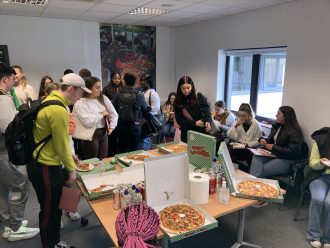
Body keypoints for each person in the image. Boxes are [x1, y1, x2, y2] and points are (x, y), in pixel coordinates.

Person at [27, 73, 91, 248]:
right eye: (79, 93)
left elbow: (53, 139)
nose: (79, 97)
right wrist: (71, 170)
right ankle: (50, 244)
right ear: (70, 89)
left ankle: (54, 243)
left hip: (42, 163)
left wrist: (70, 156)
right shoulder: (58, 109)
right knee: (49, 210)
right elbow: (61, 144)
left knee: (53, 208)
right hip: (46, 166)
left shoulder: (50, 102)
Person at [0, 63, 40, 242]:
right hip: (5, 151)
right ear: (5, 79)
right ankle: (15, 227)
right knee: (20, 186)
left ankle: (9, 225)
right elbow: (8, 129)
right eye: (12, 79)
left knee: (2, 190)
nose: (12, 83)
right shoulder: (4, 99)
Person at [250, 106, 304, 178]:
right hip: (274, 155)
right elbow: (271, 140)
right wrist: (262, 140)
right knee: (256, 157)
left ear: (286, 116)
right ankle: (255, 184)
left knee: (259, 170)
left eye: (278, 114)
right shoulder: (277, 126)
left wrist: (273, 147)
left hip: (286, 160)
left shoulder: (294, 131)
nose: (276, 115)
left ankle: (252, 185)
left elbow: (292, 152)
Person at [73, 76, 118, 159]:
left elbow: (114, 114)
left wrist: (112, 126)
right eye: (97, 87)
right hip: (90, 135)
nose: (100, 90)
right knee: (92, 162)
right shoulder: (80, 102)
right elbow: (87, 121)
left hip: (103, 133)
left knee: (103, 161)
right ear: (88, 88)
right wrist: (101, 114)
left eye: (100, 87)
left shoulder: (103, 98)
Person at [112, 73, 150, 153]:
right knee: (134, 150)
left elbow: (113, 107)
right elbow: (145, 109)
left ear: (124, 81)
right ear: (135, 82)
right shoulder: (139, 94)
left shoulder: (119, 93)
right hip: (135, 125)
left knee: (122, 149)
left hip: (121, 124)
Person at [307, 127, 330, 248]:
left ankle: (327, 238)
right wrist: (320, 162)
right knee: (317, 199)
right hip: (320, 177)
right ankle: (313, 235)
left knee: (329, 203)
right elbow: (312, 163)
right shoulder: (321, 140)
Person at [174, 76, 212, 143]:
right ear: (179, 88)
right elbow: (180, 121)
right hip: (187, 134)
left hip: (201, 132)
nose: (186, 90)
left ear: (192, 86)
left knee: (200, 152)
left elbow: (206, 110)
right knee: (187, 152)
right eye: (183, 88)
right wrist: (195, 123)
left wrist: (208, 121)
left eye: (188, 88)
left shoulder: (199, 96)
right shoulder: (177, 101)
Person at [102, 72, 123, 156]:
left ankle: (120, 154)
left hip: (121, 116)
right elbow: (103, 102)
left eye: (118, 78)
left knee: (121, 137)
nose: (117, 80)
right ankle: (112, 154)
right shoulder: (106, 89)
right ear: (111, 79)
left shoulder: (123, 88)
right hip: (111, 116)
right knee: (112, 137)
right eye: (115, 78)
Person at [139, 74, 161, 150]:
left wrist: (147, 109)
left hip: (148, 120)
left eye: (144, 80)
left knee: (145, 140)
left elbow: (157, 107)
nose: (142, 82)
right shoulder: (141, 92)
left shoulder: (153, 93)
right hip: (140, 120)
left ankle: (146, 157)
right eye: (141, 80)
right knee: (141, 140)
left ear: (148, 81)